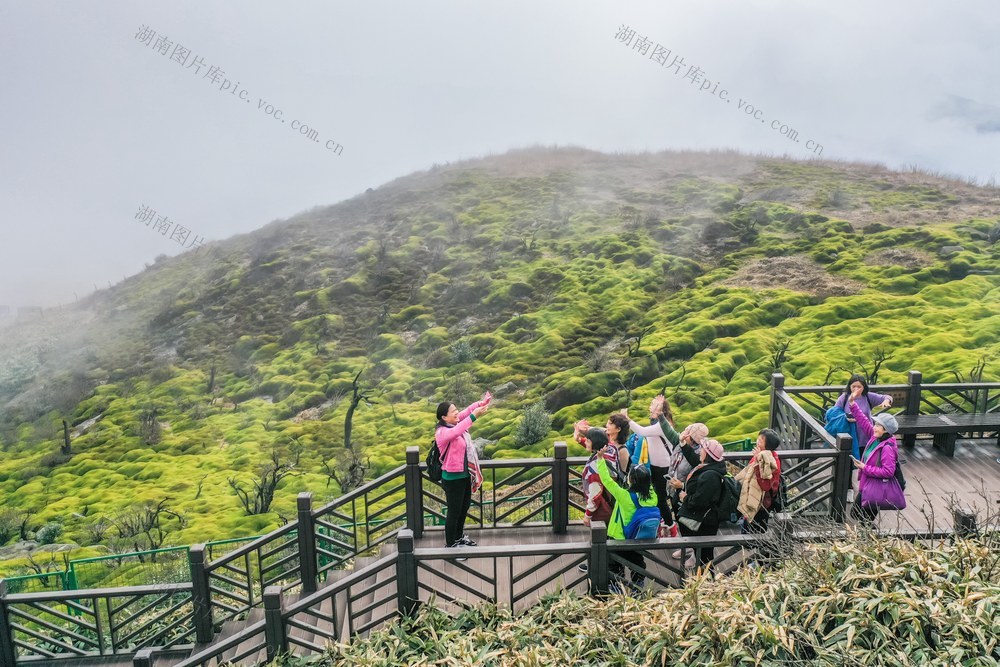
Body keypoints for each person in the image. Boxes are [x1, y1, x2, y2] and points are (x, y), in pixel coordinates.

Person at [435, 393, 491, 555]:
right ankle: (451, 545)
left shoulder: (453, 423)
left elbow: (466, 413)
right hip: (452, 479)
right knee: (454, 512)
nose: (457, 413)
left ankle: (459, 538)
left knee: (463, 508)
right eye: (453, 411)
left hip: (464, 476)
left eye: (456, 410)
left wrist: (480, 404)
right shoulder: (442, 432)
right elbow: (460, 429)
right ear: (444, 417)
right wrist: (475, 416)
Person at [595, 457, 659, 593]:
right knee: (637, 562)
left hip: (619, 537)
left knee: (613, 563)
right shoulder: (653, 495)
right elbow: (645, 483)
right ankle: (637, 587)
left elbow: (606, 480)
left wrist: (600, 459)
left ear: (632, 480)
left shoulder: (624, 496)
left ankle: (617, 587)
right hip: (639, 537)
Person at [624, 396, 679, 536]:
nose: (650, 405)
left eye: (653, 404)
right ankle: (663, 525)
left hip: (663, 468)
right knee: (656, 496)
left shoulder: (662, 424)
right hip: (655, 466)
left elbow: (642, 431)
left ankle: (672, 528)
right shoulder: (657, 422)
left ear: (660, 409)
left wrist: (627, 418)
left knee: (660, 499)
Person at [847, 385, 902, 525]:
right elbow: (863, 420)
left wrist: (865, 468)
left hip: (876, 488)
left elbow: (888, 472)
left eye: (878, 425)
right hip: (868, 484)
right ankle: (867, 538)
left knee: (863, 518)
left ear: (886, 430)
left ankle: (869, 539)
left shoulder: (887, 448)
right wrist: (852, 403)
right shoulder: (875, 437)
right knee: (858, 515)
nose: (874, 426)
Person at [676, 439, 727, 570]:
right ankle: (704, 581)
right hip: (705, 520)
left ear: (708, 454)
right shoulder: (708, 466)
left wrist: (685, 497)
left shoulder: (710, 476)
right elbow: (694, 458)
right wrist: (683, 444)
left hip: (704, 522)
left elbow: (699, 501)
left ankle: (706, 583)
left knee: (705, 557)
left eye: (703, 449)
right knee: (704, 555)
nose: (700, 451)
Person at [735, 429, 782, 565]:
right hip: (754, 499)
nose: (758, 441)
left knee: (760, 533)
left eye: (761, 440)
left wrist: (757, 461)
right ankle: (756, 558)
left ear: (767, 445)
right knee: (749, 527)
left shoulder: (770, 460)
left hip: (762, 503)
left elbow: (765, 485)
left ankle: (761, 562)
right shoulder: (763, 455)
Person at [579, 427, 619, 573]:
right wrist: (580, 436)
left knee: (600, 538)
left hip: (602, 508)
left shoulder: (595, 466)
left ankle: (599, 568)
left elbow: (595, 495)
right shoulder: (610, 451)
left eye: (588, 440)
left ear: (593, 443)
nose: (586, 442)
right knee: (609, 537)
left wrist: (587, 515)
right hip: (613, 503)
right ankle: (606, 566)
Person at [834, 374, 892, 457]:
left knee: (864, 462)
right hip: (847, 436)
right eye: (853, 386)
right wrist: (845, 417)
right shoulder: (844, 398)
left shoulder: (868, 396)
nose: (856, 389)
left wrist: (887, 401)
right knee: (846, 463)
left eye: (859, 387)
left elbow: (887, 397)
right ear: (849, 386)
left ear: (864, 387)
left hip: (865, 436)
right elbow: (835, 413)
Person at [606, 413, 631, 481]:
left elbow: (621, 474)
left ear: (618, 429)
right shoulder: (606, 440)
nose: (607, 426)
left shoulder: (622, 450)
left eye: (610, 424)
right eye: (607, 423)